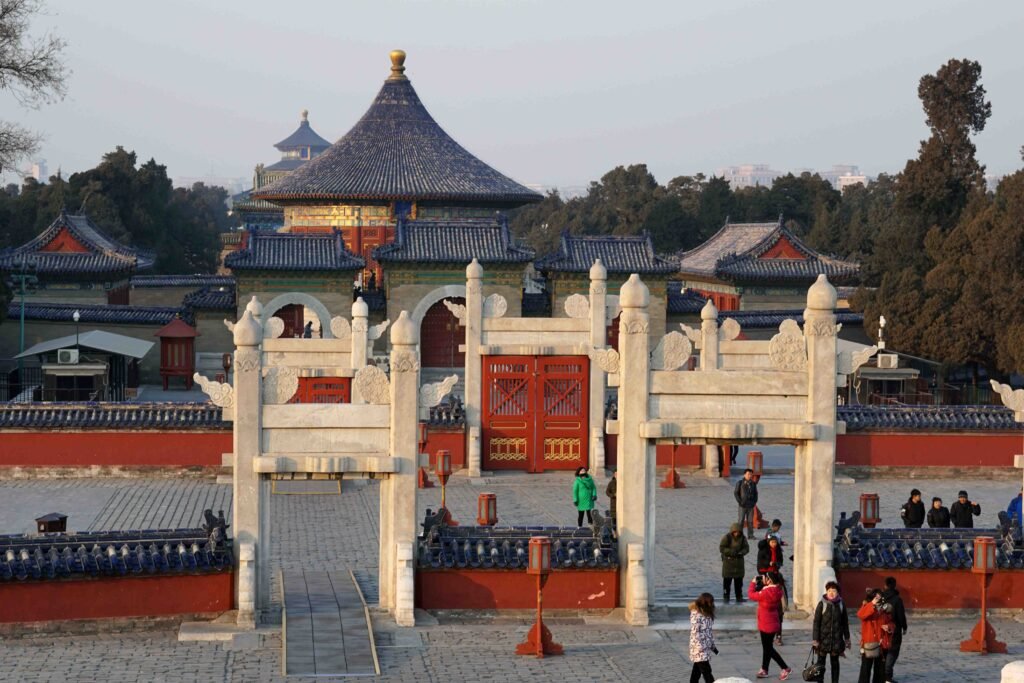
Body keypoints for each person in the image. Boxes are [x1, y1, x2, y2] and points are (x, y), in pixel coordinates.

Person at [748, 571, 792, 680]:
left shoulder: (766, 593)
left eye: (766, 578)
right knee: (767, 647)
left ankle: (785, 667)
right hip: (773, 622)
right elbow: (765, 590)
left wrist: (753, 583)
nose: (764, 579)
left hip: (765, 623)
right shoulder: (777, 590)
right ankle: (764, 669)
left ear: (770, 580)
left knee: (768, 649)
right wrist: (763, 585)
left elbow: (751, 594)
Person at [811, 580, 850, 683]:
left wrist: (847, 638)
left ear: (838, 592)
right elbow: (816, 623)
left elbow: (845, 623)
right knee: (820, 665)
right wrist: (815, 639)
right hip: (822, 640)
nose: (831, 593)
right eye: (829, 591)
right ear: (826, 591)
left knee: (835, 664)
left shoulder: (841, 604)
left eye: (834, 590)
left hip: (836, 640)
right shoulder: (821, 604)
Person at [856, 588, 893, 683]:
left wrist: (888, 627)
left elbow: (892, 623)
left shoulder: (885, 609)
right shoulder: (867, 607)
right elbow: (860, 615)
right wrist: (872, 603)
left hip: (882, 643)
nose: (878, 598)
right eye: (876, 596)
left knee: (880, 671)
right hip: (869, 643)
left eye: (879, 596)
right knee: (865, 669)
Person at [882, 576, 908, 683]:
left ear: (885, 586)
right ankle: (887, 676)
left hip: (882, 628)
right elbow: (901, 615)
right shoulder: (897, 599)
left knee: (884, 650)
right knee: (893, 651)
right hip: (894, 629)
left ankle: (884, 675)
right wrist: (904, 627)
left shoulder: (881, 598)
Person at [688, 593, 719, 683]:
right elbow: (695, 632)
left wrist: (713, 647)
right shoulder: (696, 615)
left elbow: (708, 632)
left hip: (705, 647)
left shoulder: (707, 614)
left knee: (697, 671)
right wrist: (700, 647)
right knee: (707, 671)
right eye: (710, 602)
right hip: (699, 648)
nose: (712, 604)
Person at [719, 523, 749, 603]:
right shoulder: (727, 537)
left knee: (738, 583)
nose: (737, 534)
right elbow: (722, 548)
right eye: (735, 532)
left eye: (738, 532)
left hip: (739, 564)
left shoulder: (743, 538)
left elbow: (746, 548)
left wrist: (741, 552)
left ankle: (739, 597)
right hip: (728, 564)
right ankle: (726, 597)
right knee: (727, 582)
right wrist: (731, 552)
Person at [735, 468, 759, 539]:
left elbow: (755, 493)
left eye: (751, 474)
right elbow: (736, 493)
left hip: (751, 505)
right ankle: (740, 535)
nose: (750, 476)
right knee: (741, 520)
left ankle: (750, 535)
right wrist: (740, 501)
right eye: (748, 474)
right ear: (744, 474)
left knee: (750, 521)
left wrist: (754, 502)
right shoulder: (739, 483)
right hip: (742, 505)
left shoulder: (753, 483)